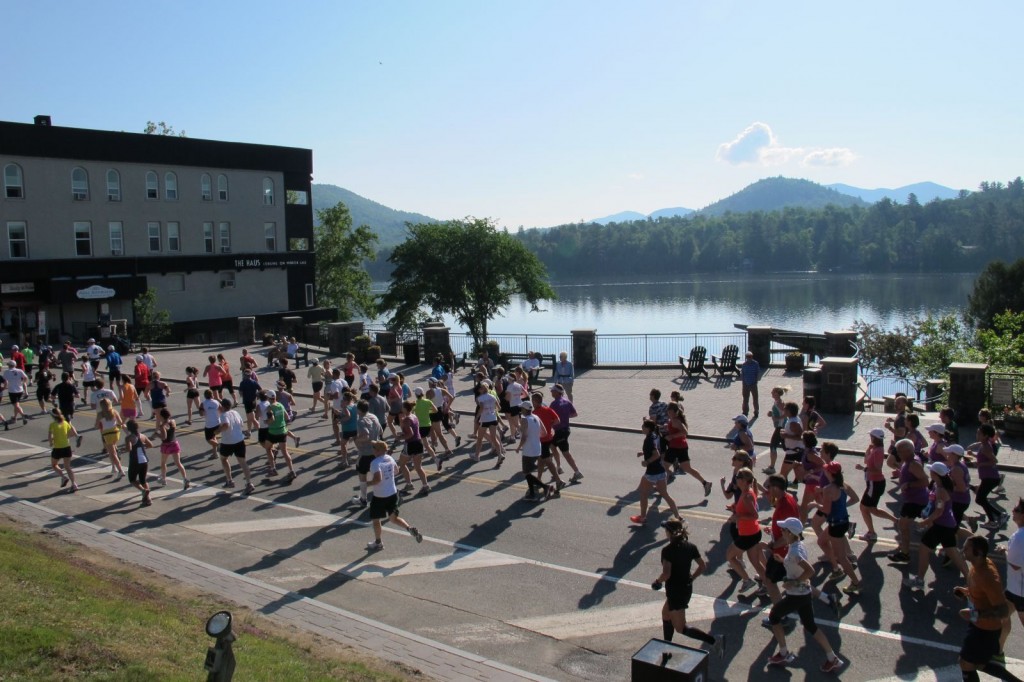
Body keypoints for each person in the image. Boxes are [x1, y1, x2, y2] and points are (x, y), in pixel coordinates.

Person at [766, 518, 845, 673]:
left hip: (796, 596)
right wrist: (783, 561)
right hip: (805, 594)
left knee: (774, 617)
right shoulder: (798, 546)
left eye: (783, 530)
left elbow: (810, 571)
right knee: (810, 625)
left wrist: (792, 583)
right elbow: (797, 566)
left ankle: (783, 654)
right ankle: (832, 658)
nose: (781, 532)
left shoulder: (794, 551)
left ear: (790, 533)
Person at [652, 517, 725, 657]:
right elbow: (702, 566)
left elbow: (666, 573)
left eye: (666, 530)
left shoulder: (667, 550)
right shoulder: (690, 547)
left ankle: (714, 640)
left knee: (681, 628)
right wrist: (692, 578)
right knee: (666, 615)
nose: (665, 532)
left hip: (675, 592)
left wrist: (657, 581)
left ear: (669, 532)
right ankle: (666, 649)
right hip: (685, 587)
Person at [954, 535, 1023, 682]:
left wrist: (977, 613)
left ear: (977, 552)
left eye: (967, 548)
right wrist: (967, 592)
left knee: (966, 663)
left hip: (985, 630)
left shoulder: (987, 576)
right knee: (979, 663)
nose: (963, 550)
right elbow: (981, 591)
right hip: (978, 625)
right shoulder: (977, 566)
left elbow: (1003, 610)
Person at [903, 461, 970, 590]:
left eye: (931, 471)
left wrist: (925, 522)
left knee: (923, 549)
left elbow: (939, 511)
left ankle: (920, 580)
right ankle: (970, 579)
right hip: (947, 525)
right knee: (952, 551)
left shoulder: (940, 490)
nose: (929, 472)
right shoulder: (937, 486)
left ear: (935, 474)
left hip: (941, 525)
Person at [365, 440, 423, 551]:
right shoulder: (390, 458)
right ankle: (409, 528)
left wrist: (367, 484)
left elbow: (377, 479)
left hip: (380, 496)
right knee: (393, 518)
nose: (372, 449)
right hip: (392, 493)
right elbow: (396, 471)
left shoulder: (375, 463)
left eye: (373, 447)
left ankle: (378, 542)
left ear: (377, 451)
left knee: (376, 519)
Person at [819, 461, 863, 593]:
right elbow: (855, 498)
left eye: (826, 470)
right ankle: (836, 569)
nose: (824, 472)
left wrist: (815, 505)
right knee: (821, 541)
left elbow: (826, 510)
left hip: (835, 525)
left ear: (830, 473)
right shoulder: (844, 486)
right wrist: (843, 507)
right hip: (842, 521)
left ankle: (855, 583)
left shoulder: (828, 490)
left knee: (842, 557)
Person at [887, 438, 930, 563]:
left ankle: (905, 553)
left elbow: (925, 481)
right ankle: (904, 551)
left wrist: (909, 484)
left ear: (908, 451)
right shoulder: (909, 461)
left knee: (903, 525)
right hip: (912, 499)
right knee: (904, 525)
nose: (898, 454)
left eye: (900, 452)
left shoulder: (913, 464)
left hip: (916, 500)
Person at [629, 419, 679, 524]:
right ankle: (678, 517)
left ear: (647, 428)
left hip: (652, 472)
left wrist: (646, 462)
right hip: (661, 470)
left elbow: (656, 453)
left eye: (643, 426)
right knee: (665, 494)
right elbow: (657, 449)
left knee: (643, 494)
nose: (642, 428)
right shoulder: (656, 435)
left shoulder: (648, 440)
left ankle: (642, 518)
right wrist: (643, 453)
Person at [726, 466, 766, 593]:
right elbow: (745, 509)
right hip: (752, 533)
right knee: (755, 562)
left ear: (744, 480)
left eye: (738, 477)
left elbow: (755, 515)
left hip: (748, 535)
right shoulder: (745, 492)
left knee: (730, 556)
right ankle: (767, 584)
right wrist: (734, 508)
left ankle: (747, 580)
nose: (735, 479)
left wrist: (738, 516)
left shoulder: (747, 495)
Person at [856, 427, 898, 541]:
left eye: (871, 436)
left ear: (874, 438)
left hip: (875, 483)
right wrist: (867, 450)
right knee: (873, 509)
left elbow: (878, 468)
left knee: (864, 508)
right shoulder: (874, 449)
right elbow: (866, 461)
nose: (870, 437)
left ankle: (871, 532)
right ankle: (896, 521)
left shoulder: (879, 451)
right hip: (872, 483)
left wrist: (863, 469)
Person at [665, 402, 712, 495]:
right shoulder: (675, 420)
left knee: (663, 466)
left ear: (674, 412)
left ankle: (663, 485)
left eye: (669, 411)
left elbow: (685, 432)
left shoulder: (676, 421)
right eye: (668, 411)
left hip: (675, 447)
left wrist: (672, 436)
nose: (668, 413)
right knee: (687, 468)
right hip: (681, 446)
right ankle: (705, 483)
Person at [515, 400, 558, 500]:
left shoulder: (525, 419)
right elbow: (544, 432)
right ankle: (532, 494)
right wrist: (534, 436)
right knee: (528, 472)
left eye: (521, 409)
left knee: (526, 473)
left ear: (525, 410)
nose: (520, 410)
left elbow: (524, 436)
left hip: (528, 450)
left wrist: (518, 447)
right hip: (537, 448)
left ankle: (545, 487)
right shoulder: (536, 417)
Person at [971, 423, 1009, 530]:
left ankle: (998, 517)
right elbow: (984, 458)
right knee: (981, 499)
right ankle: (995, 518)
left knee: (980, 499)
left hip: (991, 478)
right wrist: (973, 456)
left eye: (979, 433)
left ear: (986, 435)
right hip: (988, 477)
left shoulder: (986, 446)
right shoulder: (984, 445)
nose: (977, 435)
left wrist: (979, 464)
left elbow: (994, 461)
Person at [217, 398, 254, 494]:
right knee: (243, 462)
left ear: (224, 406)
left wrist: (217, 431)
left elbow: (226, 425)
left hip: (228, 442)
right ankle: (249, 483)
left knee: (223, 459)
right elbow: (241, 423)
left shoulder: (223, 415)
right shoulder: (235, 413)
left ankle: (229, 480)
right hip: (240, 440)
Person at [352, 399, 383, 508]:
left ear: (359, 409)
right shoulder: (374, 417)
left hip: (365, 453)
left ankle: (363, 499)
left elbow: (366, 435)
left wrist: (356, 439)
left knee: (362, 476)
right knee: (378, 476)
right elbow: (381, 432)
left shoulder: (361, 421)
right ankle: (382, 495)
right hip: (376, 452)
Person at [1003, 499, 1024, 658]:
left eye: (1016, 510)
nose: (1013, 512)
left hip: (1019, 590)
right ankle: (997, 650)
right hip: (1014, 589)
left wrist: (1004, 551)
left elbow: (1015, 564)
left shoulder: (1019, 537)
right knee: (1002, 617)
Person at [549, 383, 583, 482]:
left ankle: (576, 472)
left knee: (565, 453)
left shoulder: (554, 404)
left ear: (557, 392)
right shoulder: (567, 401)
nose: (551, 392)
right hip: (566, 430)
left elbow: (551, 418)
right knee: (552, 445)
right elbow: (575, 414)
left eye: (552, 390)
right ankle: (558, 468)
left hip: (560, 431)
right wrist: (565, 417)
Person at [266, 390, 299, 483]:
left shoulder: (270, 408)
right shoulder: (280, 405)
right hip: (282, 431)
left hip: (273, 432)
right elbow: (287, 417)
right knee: (285, 452)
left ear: (269, 398)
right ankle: (291, 470)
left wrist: (266, 422)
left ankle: (273, 469)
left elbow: (271, 420)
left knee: (268, 448)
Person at [48, 407, 80, 493]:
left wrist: (51, 442)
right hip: (67, 447)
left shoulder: (52, 425)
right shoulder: (65, 423)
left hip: (57, 448)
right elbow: (72, 433)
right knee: (68, 467)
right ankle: (74, 484)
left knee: (54, 465)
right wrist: (65, 437)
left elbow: (50, 436)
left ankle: (63, 477)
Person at [156, 408, 189, 490]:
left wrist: (157, 434)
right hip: (174, 443)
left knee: (163, 463)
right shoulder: (173, 421)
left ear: (162, 416)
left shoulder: (162, 425)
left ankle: (163, 479)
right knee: (178, 463)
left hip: (166, 445)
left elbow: (164, 437)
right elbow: (172, 431)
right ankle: (185, 479)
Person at [473, 380, 505, 465]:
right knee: (494, 438)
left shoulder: (479, 398)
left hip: (484, 419)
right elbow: (499, 407)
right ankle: (500, 454)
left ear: (481, 389)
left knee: (479, 438)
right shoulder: (492, 396)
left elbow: (481, 408)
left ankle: (476, 456)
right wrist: (493, 411)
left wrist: (477, 417)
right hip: (493, 418)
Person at [124, 419, 153, 507]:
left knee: (132, 479)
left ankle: (143, 491)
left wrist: (122, 450)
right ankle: (148, 499)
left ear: (129, 429)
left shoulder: (129, 438)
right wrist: (142, 446)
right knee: (143, 480)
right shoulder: (142, 436)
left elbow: (129, 449)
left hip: (135, 461)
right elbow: (150, 445)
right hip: (144, 461)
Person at [94, 398, 126, 480]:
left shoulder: (100, 414)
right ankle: (113, 467)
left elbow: (96, 426)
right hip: (116, 433)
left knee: (113, 453)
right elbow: (120, 422)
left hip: (107, 435)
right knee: (112, 450)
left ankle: (120, 470)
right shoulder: (114, 411)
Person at [763, 385, 789, 475]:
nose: (771, 393)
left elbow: (785, 414)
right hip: (780, 427)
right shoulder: (777, 402)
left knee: (773, 445)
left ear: (777, 393)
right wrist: (772, 413)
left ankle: (772, 467)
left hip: (780, 427)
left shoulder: (780, 403)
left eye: (773, 392)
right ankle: (795, 460)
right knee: (787, 448)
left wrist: (775, 417)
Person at [3, 360, 30, 425]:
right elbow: (26, 377)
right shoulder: (19, 370)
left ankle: (22, 415)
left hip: (12, 390)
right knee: (16, 405)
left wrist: (4, 387)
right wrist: (23, 383)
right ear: (15, 365)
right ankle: (14, 418)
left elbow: (5, 381)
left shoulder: (6, 372)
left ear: (9, 365)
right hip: (20, 390)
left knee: (16, 405)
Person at [200, 389, 222, 460]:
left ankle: (218, 445)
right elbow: (221, 410)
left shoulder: (203, 403)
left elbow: (201, 414)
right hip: (217, 423)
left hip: (209, 425)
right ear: (212, 395)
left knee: (208, 439)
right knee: (213, 437)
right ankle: (215, 454)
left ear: (205, 396)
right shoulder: (216, 402)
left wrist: (204, 411)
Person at [739, 351, 760, 416]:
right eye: (747, 357)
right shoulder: (744, 365)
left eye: (750, 357)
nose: (749, 358)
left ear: (752, 357)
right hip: (745, 384)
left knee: (755, 398)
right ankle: (745, 411)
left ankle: (756, 411)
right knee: (745, 399)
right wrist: (743, 383)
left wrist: (756, 381)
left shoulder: (756, 364)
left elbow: (757, 373)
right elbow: (742, 374)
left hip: (753, 383)